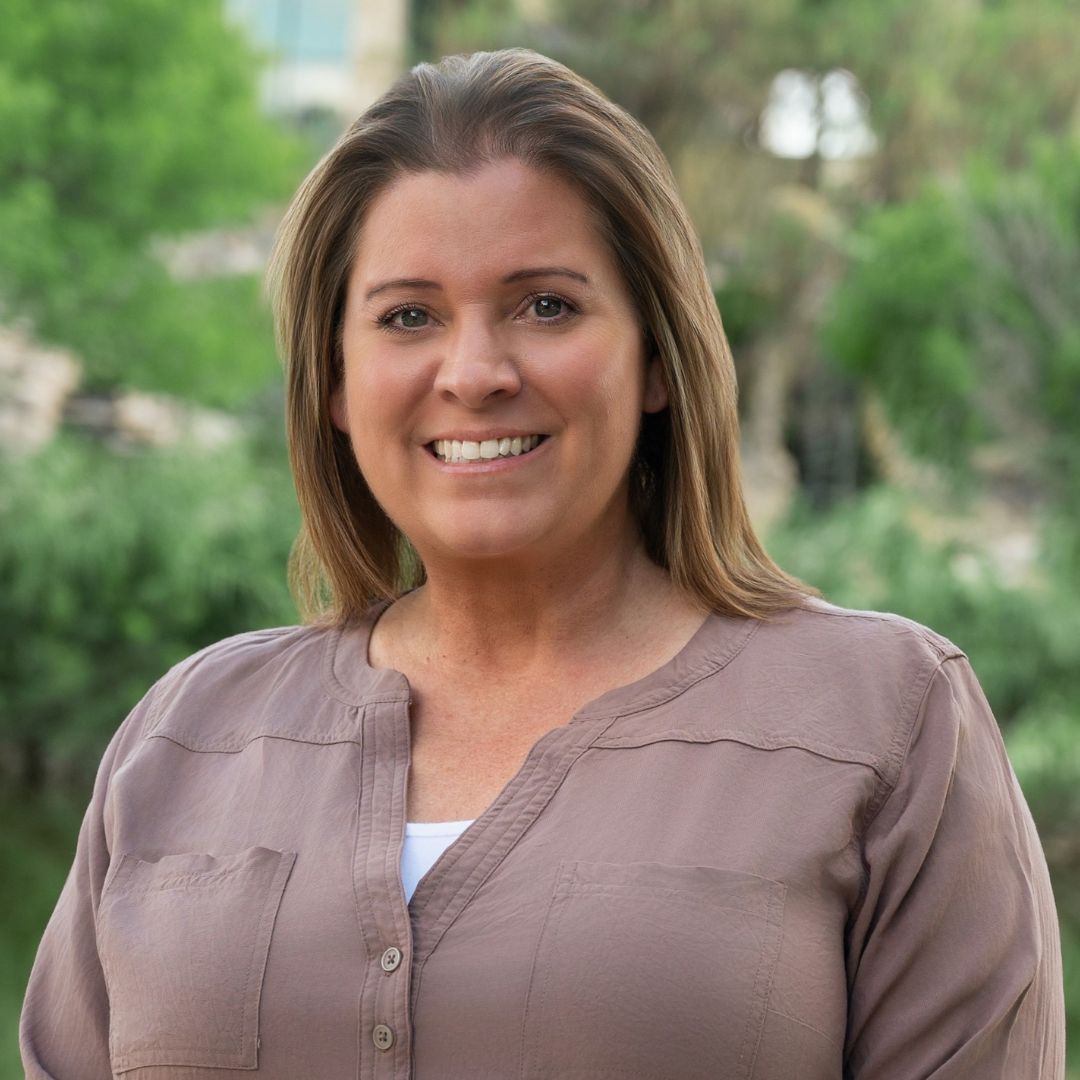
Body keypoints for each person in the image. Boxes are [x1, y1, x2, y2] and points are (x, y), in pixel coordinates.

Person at [21, 48, 1064, 1079]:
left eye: (546, 306)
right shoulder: (184, 738)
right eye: (408, 317)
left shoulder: (884, 718)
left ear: (656, 358)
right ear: (335, 383)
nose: (474, 373)